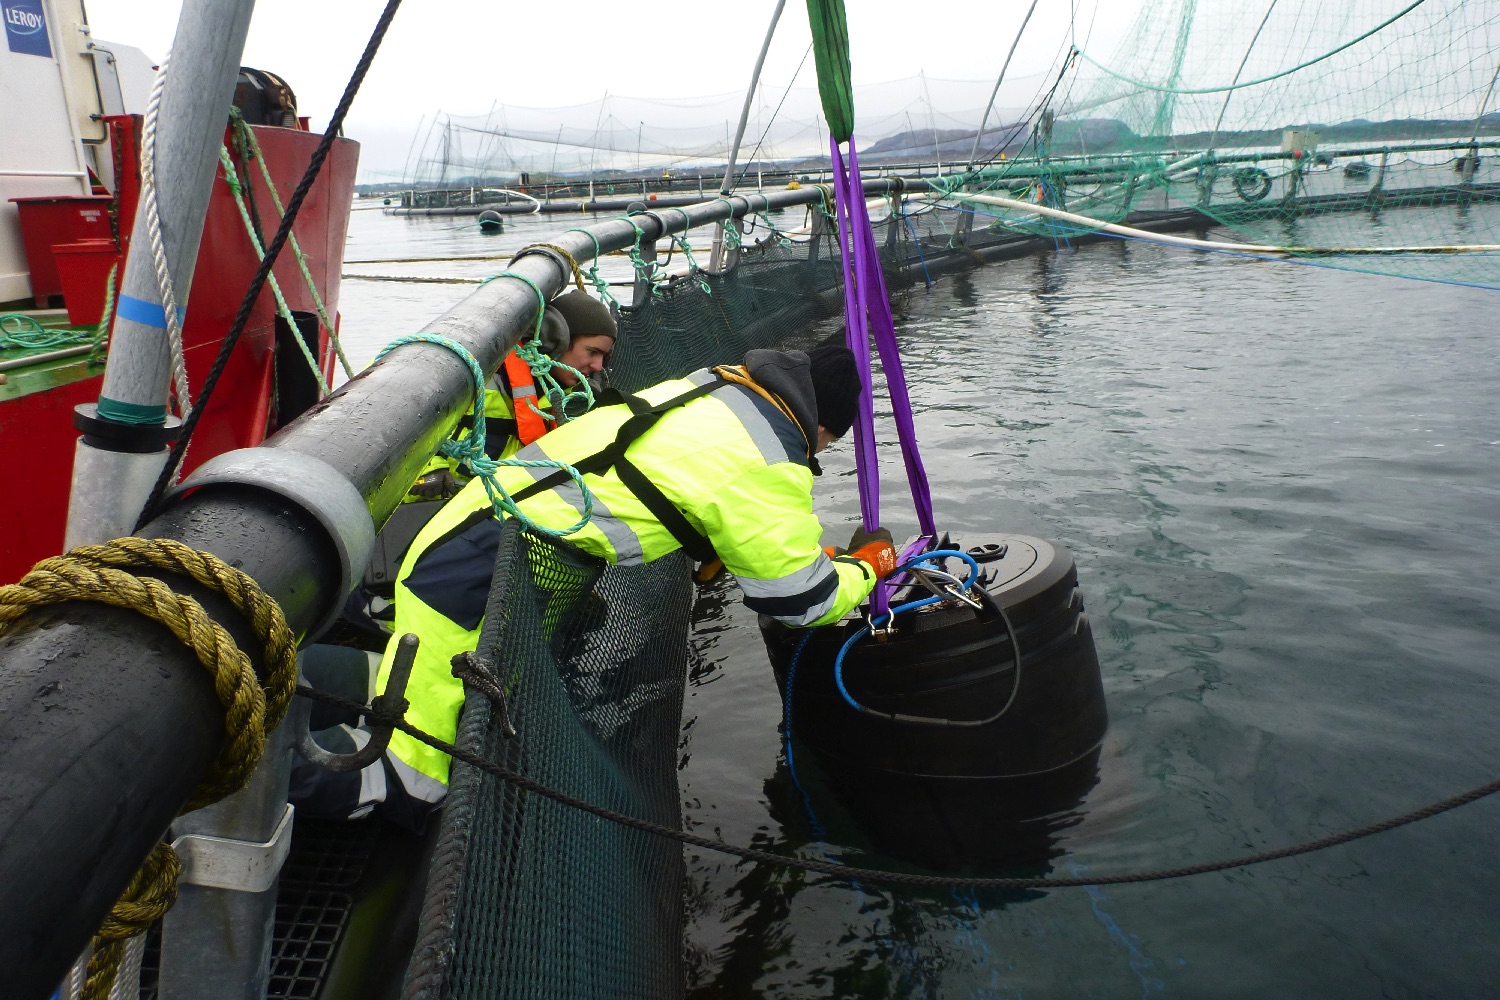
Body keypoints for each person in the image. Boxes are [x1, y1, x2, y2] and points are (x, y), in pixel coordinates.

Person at [291, 344, 898, 829]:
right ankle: (230, 768)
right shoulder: (771, 463)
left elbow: (672, 482)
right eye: (828, 446)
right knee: (419, 782)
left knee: (407, 676)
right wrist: (869, 568)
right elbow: (804, 601)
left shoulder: (718, 391)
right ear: (824, 428)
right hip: (481, 571)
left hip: (472, 534)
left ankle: (282, 681)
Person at [405, 290, 616, 500]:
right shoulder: (480, 370)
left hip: (489, 508)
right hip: (418, 509)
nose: (597, 366)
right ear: (554, 339)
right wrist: (429, 469)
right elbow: (395, 409)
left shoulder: (573, 399)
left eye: (603, 357)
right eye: (592, 352)